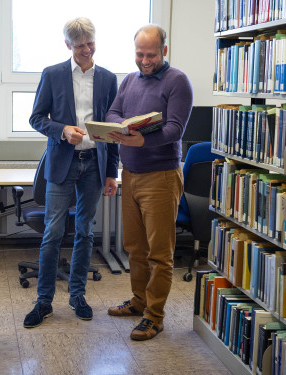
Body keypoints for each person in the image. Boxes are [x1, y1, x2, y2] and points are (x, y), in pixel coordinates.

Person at [23, 17, 119, 328]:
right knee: (52, 233)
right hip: (63, 162)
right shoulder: (52, 75)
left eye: (91, 44)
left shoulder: (107, 79)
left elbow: (112, 130)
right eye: (80, 46)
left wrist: (111, 172)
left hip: (94, 162)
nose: (87, 50)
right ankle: (44, 301)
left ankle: (77, 294)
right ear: (68, 46)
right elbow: (36, 118)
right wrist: (62, 130)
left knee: (85, 232)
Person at [105, 24, 193, 341]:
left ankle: (154, 317)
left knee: (160, 254)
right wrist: (124, 126)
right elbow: (113, 112)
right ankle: (139, 302)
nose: (145, 60)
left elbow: (175, 129)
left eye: (151, 54)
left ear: (164, 51)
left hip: (161, 176)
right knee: (135, 248)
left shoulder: (177, 81)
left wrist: (141, 139)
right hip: (130, 175)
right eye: (140, 54)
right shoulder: (129, 80)